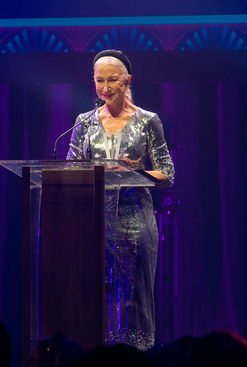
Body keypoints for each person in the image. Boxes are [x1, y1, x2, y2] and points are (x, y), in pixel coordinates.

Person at [66, 50, 175, 350]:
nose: (105, 88)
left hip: (135, 223)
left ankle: (136, 363)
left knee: (133, 298)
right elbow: (70, 170)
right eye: (99, 81)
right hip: (93, 222)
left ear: (127, 81)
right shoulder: (84, 122)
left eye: (112, 80)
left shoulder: (148, 121)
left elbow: (167, 174)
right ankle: (94, 362)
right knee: (93, 295)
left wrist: (134, 170)